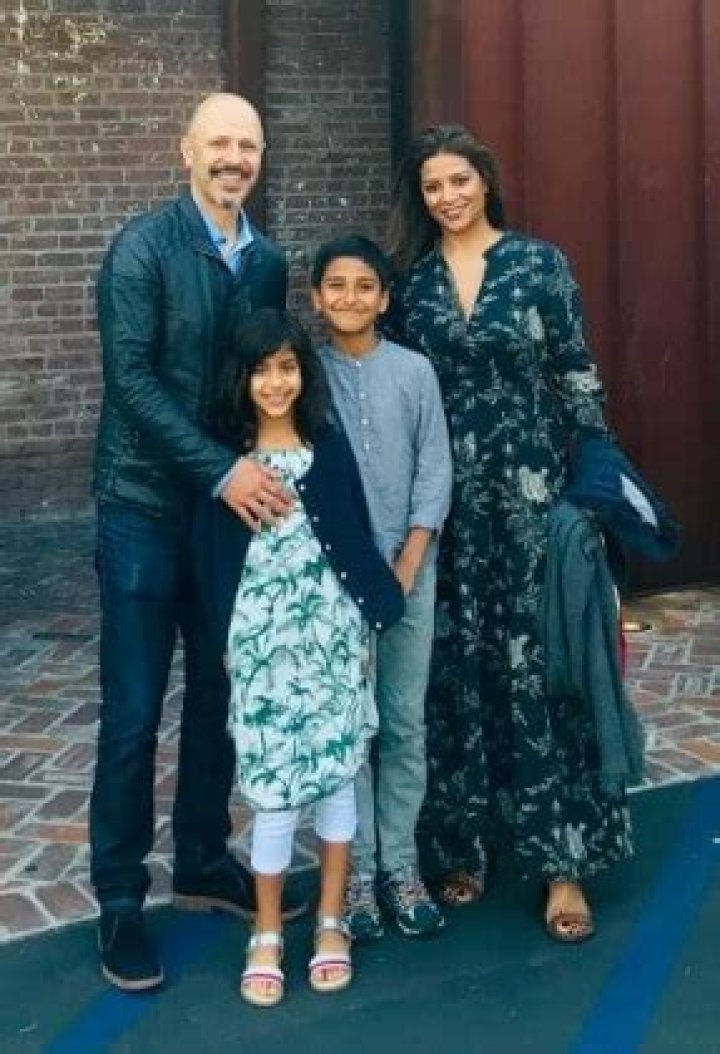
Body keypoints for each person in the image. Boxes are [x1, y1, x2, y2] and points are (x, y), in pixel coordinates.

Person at [385, 125, 634, 942]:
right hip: (446, 508)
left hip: (532, 498)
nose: (447, 197)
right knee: (457, 670)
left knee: (540, 671)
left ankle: (563, 866)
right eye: (432, 186)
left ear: (485, 182)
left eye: (459, 181)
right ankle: (465, 844)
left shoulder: (538, 265)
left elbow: (576, 374)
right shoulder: (413, 285)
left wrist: (590, 492)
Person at [91, 93, 305, 993]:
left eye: (247, 145)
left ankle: (203, 861)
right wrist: (223, 470)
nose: (233, 158)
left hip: (225, 516)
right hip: (142, 506)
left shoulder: (268, 262)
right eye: (219, 142)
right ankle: (118, 900)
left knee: (220, 693)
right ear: (187, 151)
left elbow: (260, 377)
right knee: (134, 712)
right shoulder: (142, 248)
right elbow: (131, 381)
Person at [193, 308, 404, 1006]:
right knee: (273, 788)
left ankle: (331, 918)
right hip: (262, 648)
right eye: (261, 370)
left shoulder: (328, 449)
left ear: (304, 375)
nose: (275, 383)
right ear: (241, 379)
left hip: (332, 641)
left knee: (339, 778)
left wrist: (367, 630)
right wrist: (226, 644)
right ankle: (266, 930)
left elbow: (357, 538)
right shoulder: (228, 467)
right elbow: (211, 563)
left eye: (287, 368)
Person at [310, 235, 452, 940]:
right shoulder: (306, 377)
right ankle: (358, 871)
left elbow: (435, 467)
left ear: (385, 298)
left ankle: (401, 863)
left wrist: (409, 560)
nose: (350, 298)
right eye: (336, 285)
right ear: (316, 297)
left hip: (408, 574)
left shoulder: (413, 371)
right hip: (336, 582)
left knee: (401, 721)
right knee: (350, 730)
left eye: (365, 286)